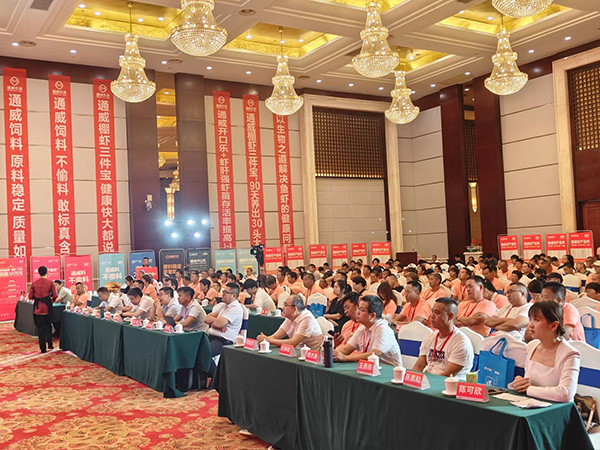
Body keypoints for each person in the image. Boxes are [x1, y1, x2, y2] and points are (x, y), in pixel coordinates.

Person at [509, 301, 581, 402]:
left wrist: (528, 389)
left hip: (555, 408)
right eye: (530, 319)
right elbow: (527, 383)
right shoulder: (532, 346)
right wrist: (518, 384)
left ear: (553, 326)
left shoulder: (570, 354)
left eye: (536, 320)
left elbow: (566, 394)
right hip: (529, 403)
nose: (530, 325)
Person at [412, 297, 474, 380]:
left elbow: (447, 375)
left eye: (437, 313)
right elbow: (419, 366)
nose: (432, 316)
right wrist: (411, 379)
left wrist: (423, 381)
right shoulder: (430, 337)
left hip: (448, 384)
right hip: (428, 380)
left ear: (450, 316)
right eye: (432, 311)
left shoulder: (461, 343)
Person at [333, 295, 402, 366]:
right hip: (370, 369)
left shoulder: (383, 329)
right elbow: (346, 349)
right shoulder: (362, 329)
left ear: (372, 316)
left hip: (390, 371)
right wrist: (334, 354)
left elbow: (374, 354)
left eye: (362, 310)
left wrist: (346, 358)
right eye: (358, 309)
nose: (357, 312)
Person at [204, 283, 244, 381]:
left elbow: (218, 323)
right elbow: (206, 319)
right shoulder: (223, 306)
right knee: (193, 350)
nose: (223, 294)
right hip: (211, 336)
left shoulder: (236, 308)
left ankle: (216, 380)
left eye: (226, 292)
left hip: (223, 340)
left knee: (205, 354)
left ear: (233, 295)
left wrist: (218, 322)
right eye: (223, 291)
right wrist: (218, 321)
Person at [257, 295, 323, 351]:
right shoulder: (290, 317)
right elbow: (275, 336)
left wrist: (268, 340)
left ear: (294, 309)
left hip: (312, 356)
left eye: (285, 305)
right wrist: (264, 340)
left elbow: (293, 342)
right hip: (298, 352)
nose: (283, 308)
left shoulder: (307, 318)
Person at [29, 266, 58, 353]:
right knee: (48, 326)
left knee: (40, 329)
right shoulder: (50, 283)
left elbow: (30, 296)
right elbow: (55, 295)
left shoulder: (34, 283)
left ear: (38, 273)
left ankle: (43, 348)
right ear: (47, 272)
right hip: (47, 308)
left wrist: (37, 298)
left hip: (37, 308)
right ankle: (50, 344)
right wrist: (50, 300)